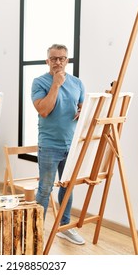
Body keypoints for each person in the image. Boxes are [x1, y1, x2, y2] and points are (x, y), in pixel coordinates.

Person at [31, 44, 85, 245]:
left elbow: (81, 108)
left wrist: (82, 111)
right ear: (47, 61)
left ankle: (64, 227)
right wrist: (56, 84)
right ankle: (36, 232)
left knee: (67, 187)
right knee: (45, 189)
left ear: (67, 60)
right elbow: (44, 110)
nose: (58, 62)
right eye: (54, 58)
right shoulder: (40, 82)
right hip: (49, 145)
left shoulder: (78, 83)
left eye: (62, 58)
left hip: (71, 145)